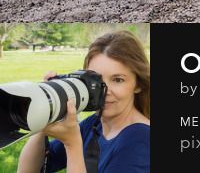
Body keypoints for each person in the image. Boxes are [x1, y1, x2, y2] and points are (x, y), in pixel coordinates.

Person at [17, 30, 150, 173]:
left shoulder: (141, 139)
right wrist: (47, 113)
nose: (104, 91)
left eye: (118, 80)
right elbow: (29, 170)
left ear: (138, 84)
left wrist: (72, 144)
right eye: (96, 80)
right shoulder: (94, 125)